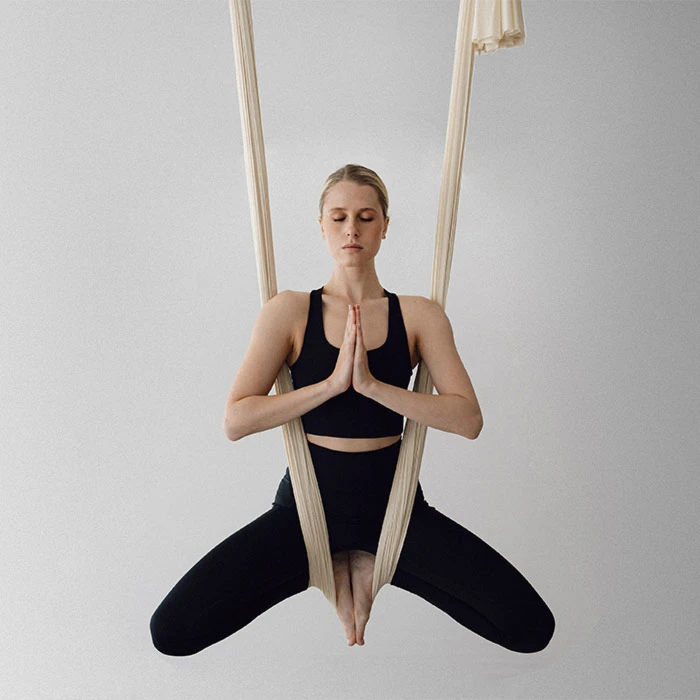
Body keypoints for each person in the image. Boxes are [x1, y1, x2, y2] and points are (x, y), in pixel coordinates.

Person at [149, 164, 555, 655]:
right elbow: (237, 419)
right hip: (306, 508)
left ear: (385, 226)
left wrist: (372, 386)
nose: (351, 230)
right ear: (321, 226)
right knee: (171, 632)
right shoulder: (291, 310)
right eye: (338, 217)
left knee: (530, 628)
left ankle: (371, 564)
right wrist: (330, 385)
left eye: (365, 217)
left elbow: (467, 419)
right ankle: (320, 566)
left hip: (395, 511)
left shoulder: (419, 315)